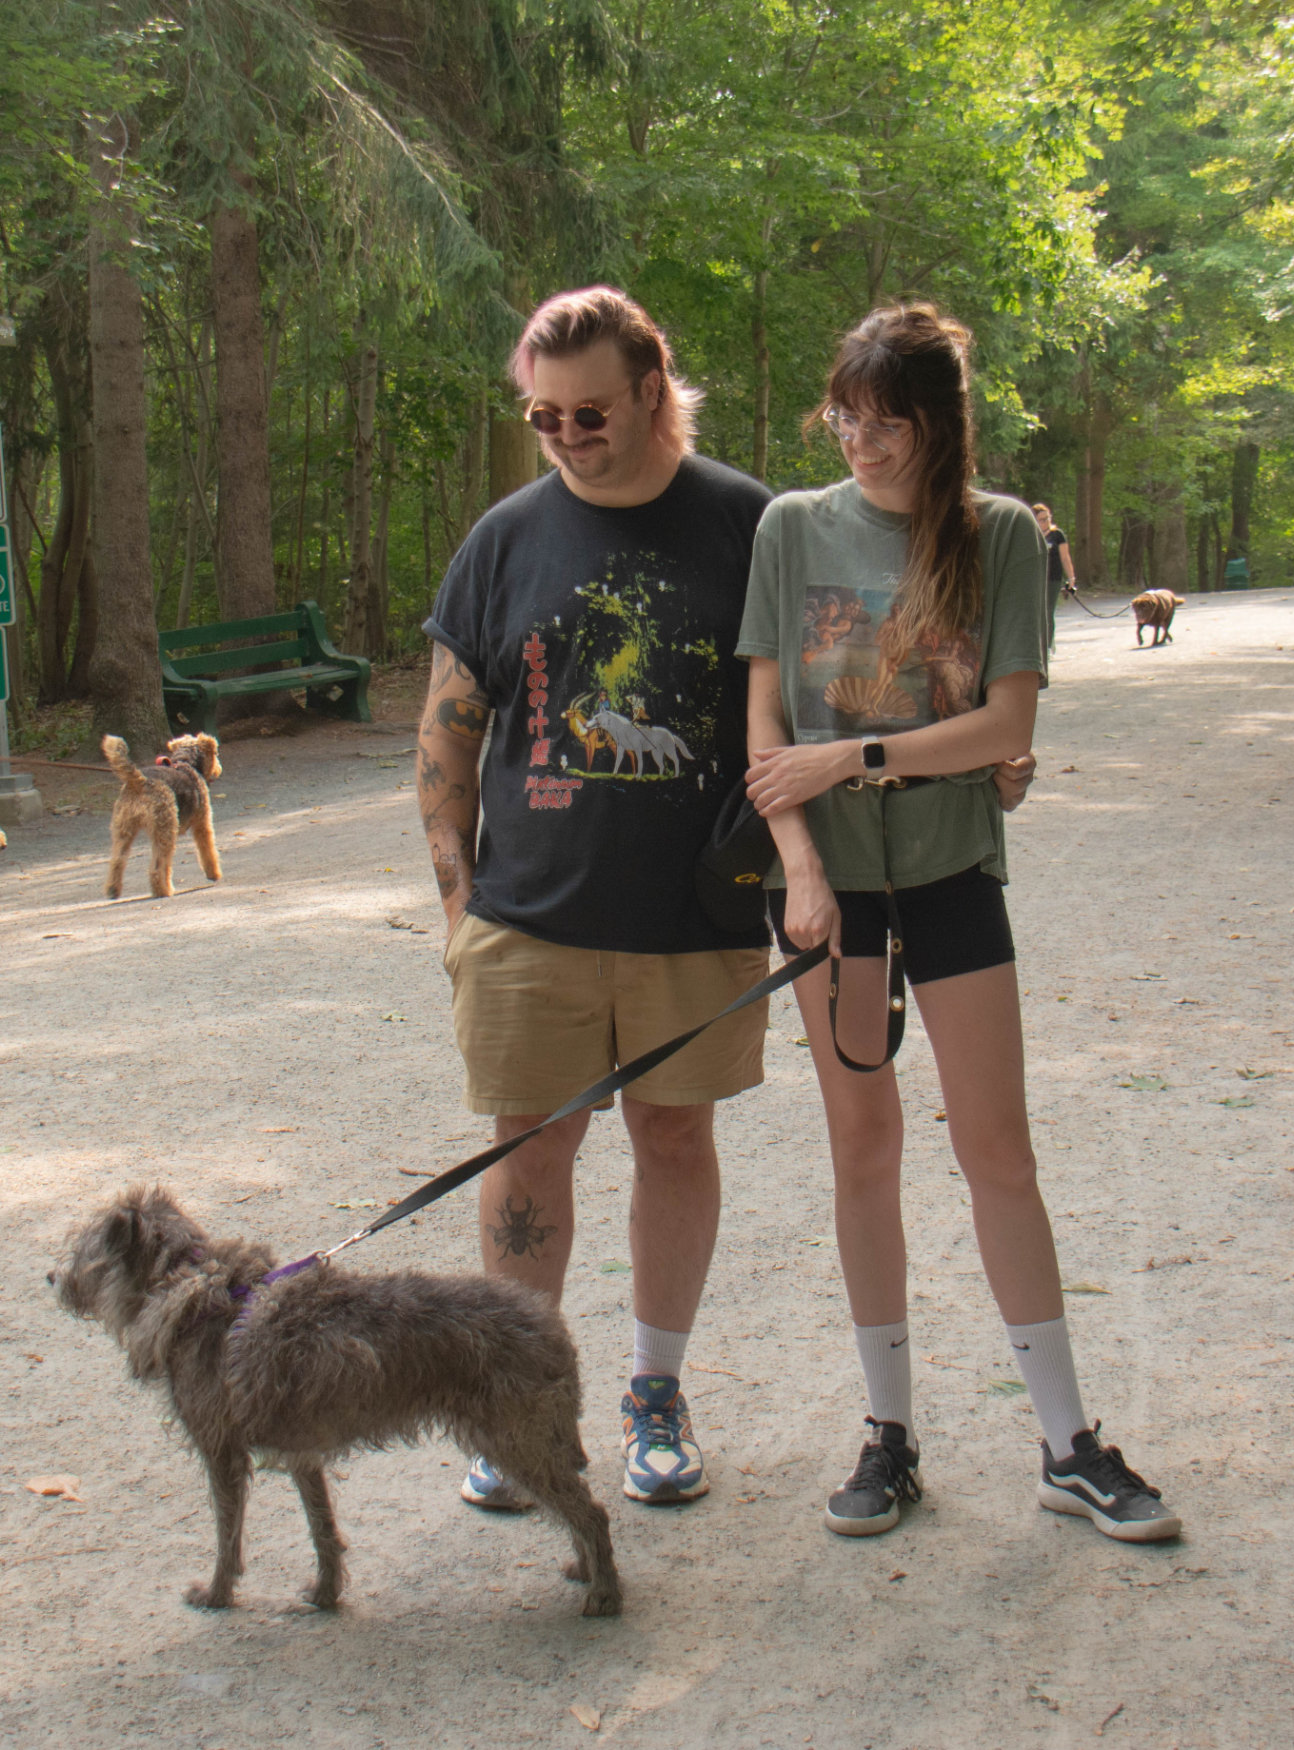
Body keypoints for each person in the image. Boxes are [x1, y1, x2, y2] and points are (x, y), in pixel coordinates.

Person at [739, 304, 1180, 1545]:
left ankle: (1067, 1441)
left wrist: (855, 760)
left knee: (999, 1149)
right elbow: (768, 734)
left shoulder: (998, 539)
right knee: (862, 1147)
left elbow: (1005, 731)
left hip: (950, 877)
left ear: (940, 424)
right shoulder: (790, 528)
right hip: (827, 889)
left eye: (889, 420)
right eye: (847, 415)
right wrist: (801, 867)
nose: (863, 440)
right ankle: (889, 1435)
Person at [417, 287, 772, 1510]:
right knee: (530, 1152)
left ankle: (654, 1394)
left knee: (675, 1137)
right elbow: (447, 734)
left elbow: (812, 709)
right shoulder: (504, 539)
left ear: (653, 386)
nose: (567, 435)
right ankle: (519, 1406)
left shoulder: (750, 524)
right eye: (543, 416)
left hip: (696, 921)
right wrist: (462, 904)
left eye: (590, 413)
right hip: (528, 922)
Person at [1032, 501, 1076, 597]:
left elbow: (1065, 558)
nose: (1046, 521)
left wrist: (1071, 578)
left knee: (1048, 609)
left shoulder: (1057, 535)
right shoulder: (1031, 535)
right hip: (1035, 579)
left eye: (1047, 518)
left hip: (1053, 579)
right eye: (1042, 520)